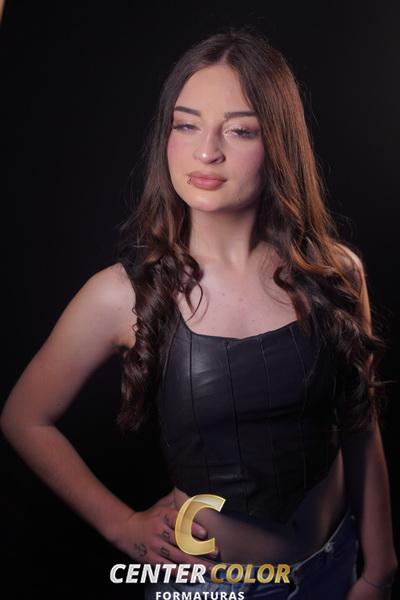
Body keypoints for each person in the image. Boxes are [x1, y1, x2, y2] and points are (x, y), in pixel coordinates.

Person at [1, 27, 398, 600]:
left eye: (239, 130)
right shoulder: (122, 294)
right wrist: (121, 525)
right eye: (186, 125)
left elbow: (360, 423)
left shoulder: (337, 273)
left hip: (334, 567)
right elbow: (24, 417)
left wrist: (379, 570)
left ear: (279, 142)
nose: (207, 151)